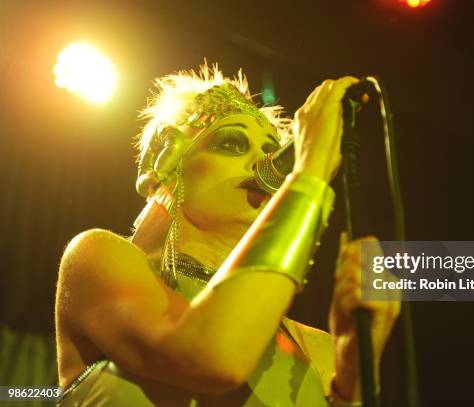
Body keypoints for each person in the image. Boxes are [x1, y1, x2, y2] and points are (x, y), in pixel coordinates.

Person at [54, 62, 400, 406]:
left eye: (270, 151)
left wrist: (354, 380)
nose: (263, 165)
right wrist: (309, 173)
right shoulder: (97, 259)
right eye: (232, 144)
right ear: (166, 157)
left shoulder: (319, 351)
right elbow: (207, 356)